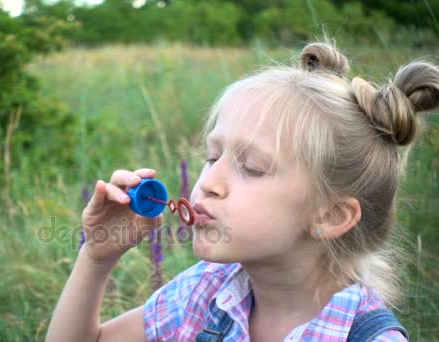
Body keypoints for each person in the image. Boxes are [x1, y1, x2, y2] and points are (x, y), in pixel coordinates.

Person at [46, 41, 439, 341]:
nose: (208, 183)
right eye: (212, 157)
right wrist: (96, 258)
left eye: (251, 168)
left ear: (331, 215)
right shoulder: (206, 292)